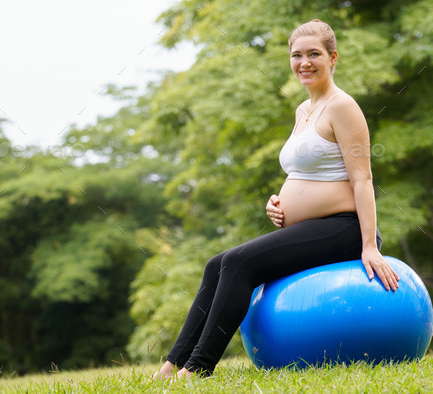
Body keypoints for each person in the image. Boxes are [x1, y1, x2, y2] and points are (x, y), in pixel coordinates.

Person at [152, 19, 400, 381]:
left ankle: (197, 370)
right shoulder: (304, 109)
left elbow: (362, 179)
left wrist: (368, 245)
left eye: (314, 54)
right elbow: (305, 172)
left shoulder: (342, 107)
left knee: (238, 263)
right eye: (296, 55)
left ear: (333, 58)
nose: (304, 62)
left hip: (347, 229)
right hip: (317, 226)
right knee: (215, 263)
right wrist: (280, 204)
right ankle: (170, 365)